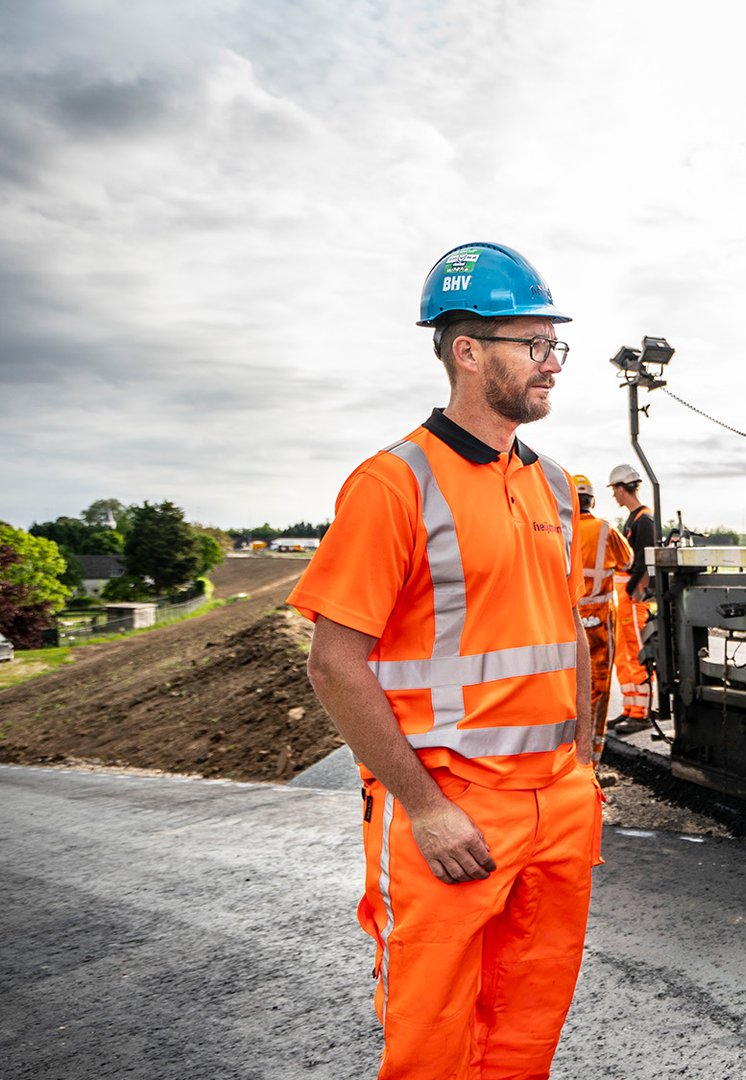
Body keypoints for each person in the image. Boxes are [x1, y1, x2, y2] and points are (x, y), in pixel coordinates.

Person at [291, 241, 602, 1078]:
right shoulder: (392, 484)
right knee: (431, 1040)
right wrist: (425, 807)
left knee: (526, 1028)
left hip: (555, 806)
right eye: (534, 346)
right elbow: (333, 662)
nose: (552, 366)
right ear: (467, 351)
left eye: (554, 347)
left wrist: (581, 763)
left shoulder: (549, 483)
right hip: (452, 804)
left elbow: (565, 628)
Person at [571, 473, 634, 766]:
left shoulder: (559, 529)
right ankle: (591, 762)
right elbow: (628, 561)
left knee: (566, 688)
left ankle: (568, 760)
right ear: (592, 500)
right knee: (597, 687)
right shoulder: (605, 529)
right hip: (598, 621)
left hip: (566, 621)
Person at [605, 463, 657, 734]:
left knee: (637, 654)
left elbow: (645, 564)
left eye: (614, 489)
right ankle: (630, 708)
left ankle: (642, 712)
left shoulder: (644, 520)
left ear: (622, 488)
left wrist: (631, 593)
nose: (613, 495)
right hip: (626, 598)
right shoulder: (634, 519)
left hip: (634, 599)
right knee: (624, 655)